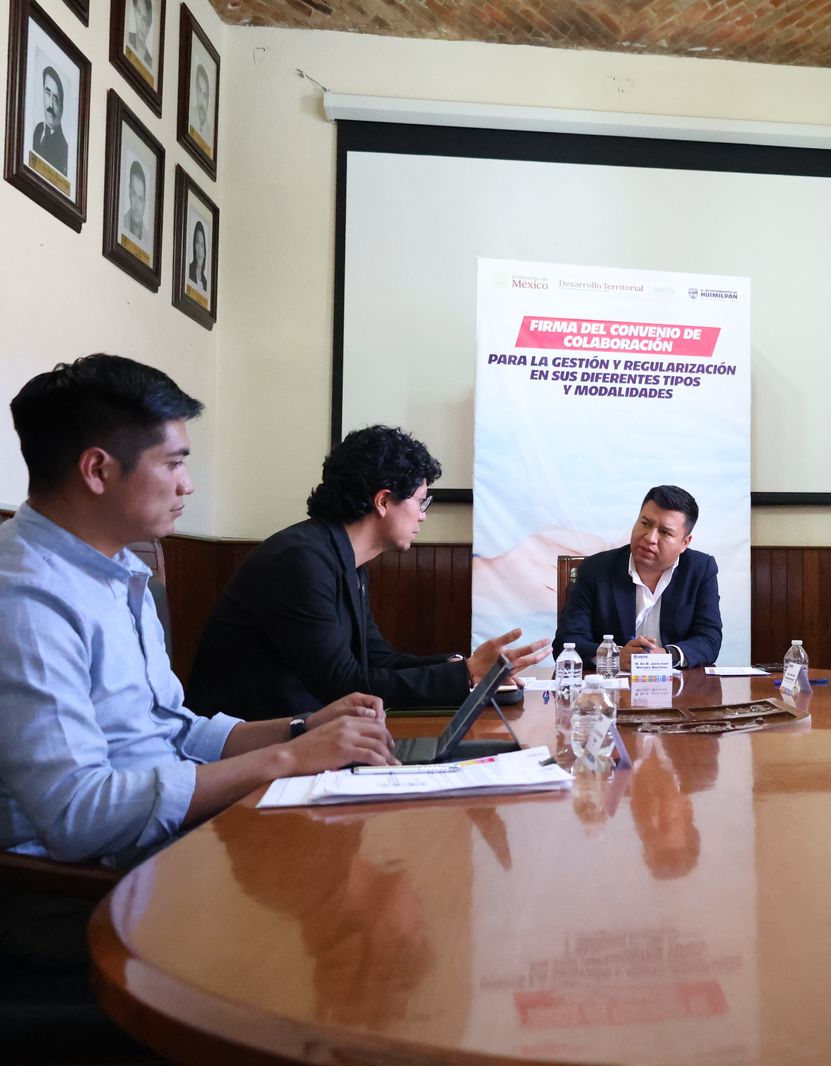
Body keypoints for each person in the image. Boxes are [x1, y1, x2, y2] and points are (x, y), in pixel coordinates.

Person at [0, 356, 396, 962]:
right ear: (98, 470)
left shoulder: (119, 571)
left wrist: (303, 728)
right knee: (337, 922)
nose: (187, 485)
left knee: (373, 854)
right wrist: (286, 759)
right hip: (78, 894)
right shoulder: (28, 599)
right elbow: (77, 815)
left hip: (159, 851)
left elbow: (174, 730)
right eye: (174, 463)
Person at [187, 426, 550, 720]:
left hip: (302, 735)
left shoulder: (346, 562)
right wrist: (466, 673)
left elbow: (378, 660)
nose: (423, 515)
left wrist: (462, 664)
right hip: (247, 747)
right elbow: (344, 686)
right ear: (383, 501)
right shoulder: (300, 561)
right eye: (420, 500)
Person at [554, 485, 722, 670]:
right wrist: (615, 657)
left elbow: (709, 639)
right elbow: (567, 641)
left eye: (665, 532)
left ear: (684, 543)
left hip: (678, 684)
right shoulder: (595, 569)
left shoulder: (700, 570)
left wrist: (667, 656)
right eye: (646, 524)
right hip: (611, 684)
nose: (650, 538)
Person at [30, 65, 68, 176]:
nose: (50, 105)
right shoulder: (38, 129)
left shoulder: (63, 148)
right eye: (47, 93)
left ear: (62, 108)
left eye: (55, 99)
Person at [121, 159, 148, 245]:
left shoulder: (148, 240)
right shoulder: (120, 224)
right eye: (134, 194)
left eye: (140, 198)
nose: (137, 205)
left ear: (145, 202)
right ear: (129, 193)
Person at [124, 0, 155, 71]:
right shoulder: (126, 40)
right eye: (138, 11)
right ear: (134, 13)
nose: (140, 23)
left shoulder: (150, 63)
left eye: (144, 19)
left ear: (149, 26)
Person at [188, 220, 208, 291]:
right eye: (197, 243)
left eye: (202, 245)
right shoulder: (188, 271)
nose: (200, 251)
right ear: (194, 247)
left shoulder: (206, 283)